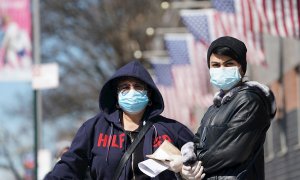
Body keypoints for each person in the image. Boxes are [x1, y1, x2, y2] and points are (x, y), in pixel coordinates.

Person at [44, 60, 194, 180]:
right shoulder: (94, 128)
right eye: (125, 87)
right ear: (116, 97)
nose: (131, 91)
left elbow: (204, 159)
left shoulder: (172, 129)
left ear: (149, 95)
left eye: (138, 86)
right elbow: (70, 166)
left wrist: (186, 169)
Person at [179, 36, 277, 179]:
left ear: (242, 69)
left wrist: (189, 162)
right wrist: (187, 156)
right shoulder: (214, 108)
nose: (222, 69)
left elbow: (231, 152)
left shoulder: (249, 101)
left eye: (229, 64)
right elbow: (197, 142)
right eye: (216, 65)